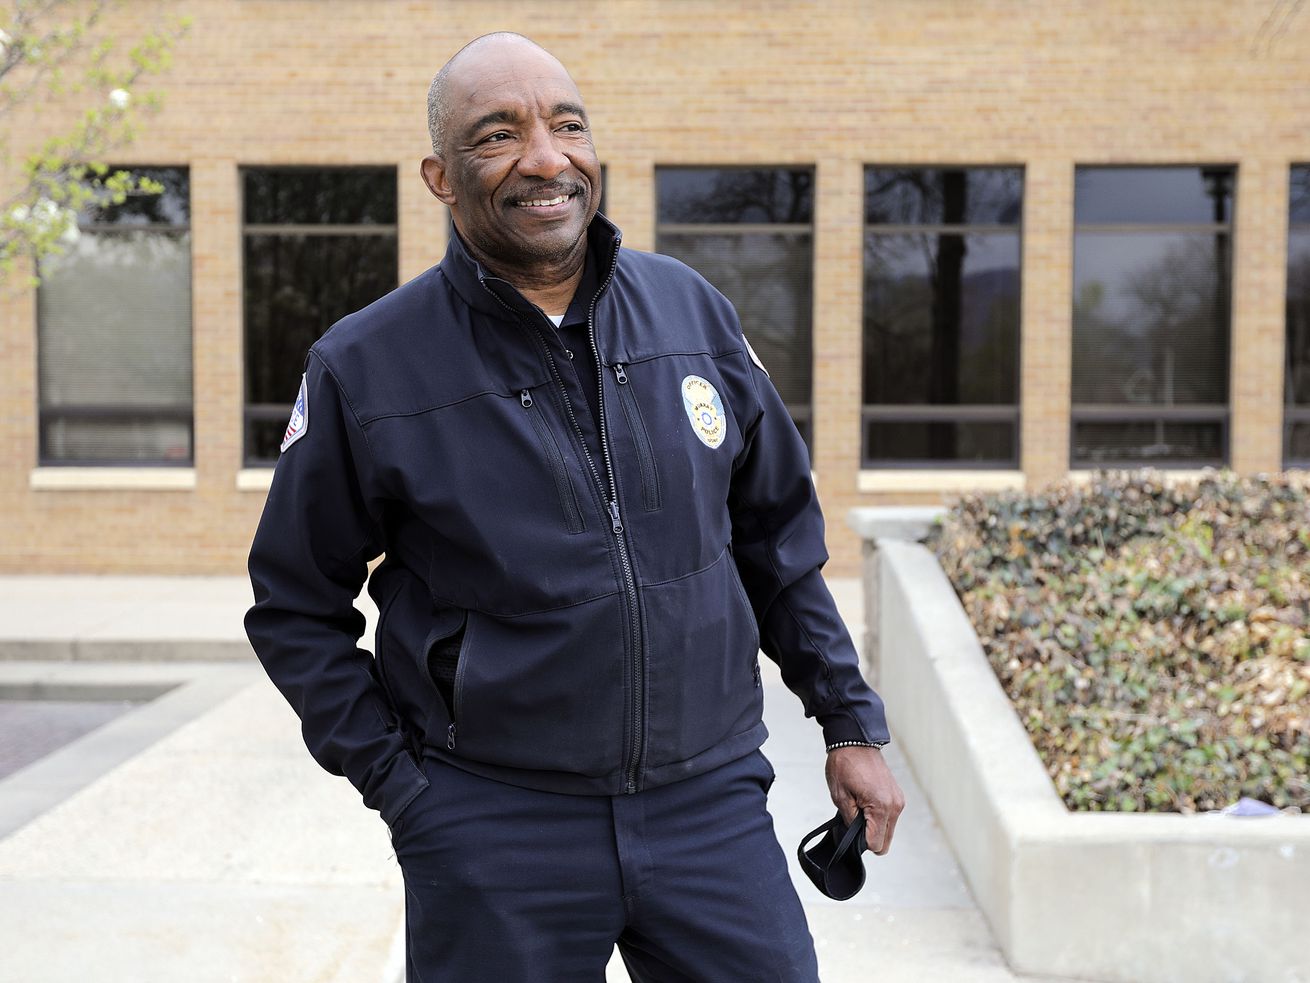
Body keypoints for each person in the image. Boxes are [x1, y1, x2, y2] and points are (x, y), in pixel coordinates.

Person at [245, 31, 905, 982]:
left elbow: (776, 547)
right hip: (496, 828)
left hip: (708, 806)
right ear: (441, 175)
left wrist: (848, 724)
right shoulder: (365, 365)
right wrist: (408, 794)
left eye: (566, 125)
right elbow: (294, 606)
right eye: (498, 135)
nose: (545, 158)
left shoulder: (692, 313)